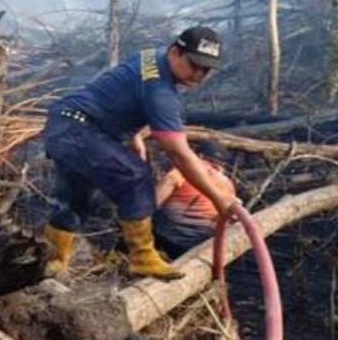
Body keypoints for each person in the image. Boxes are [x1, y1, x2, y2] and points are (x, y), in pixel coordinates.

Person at [42, 26, 239, 278]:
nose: (199, 74)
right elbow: (179, 155)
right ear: (175, 52)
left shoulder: (151, 57)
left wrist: (133, 133)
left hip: (66, 123)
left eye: (206, 69)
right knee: (136, 177)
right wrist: (218, 199)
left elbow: (120, 89)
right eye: (194, 64)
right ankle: (142, 257)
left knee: (75, 198)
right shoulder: (161, 92)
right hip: (78, 128)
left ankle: (52, 263)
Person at [152, 142, 237, 259]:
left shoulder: (180, 173)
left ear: (199, 156)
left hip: (171, 241)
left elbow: (152, 204)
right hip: (208, 244)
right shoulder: (228, 184)